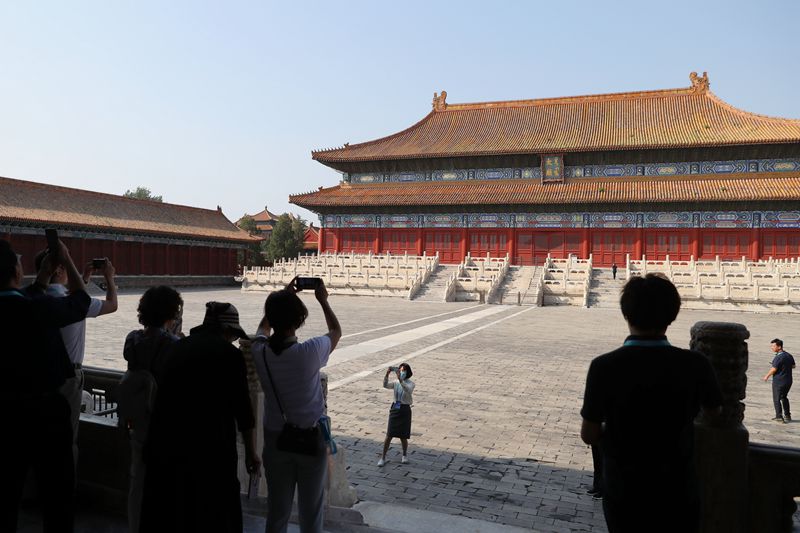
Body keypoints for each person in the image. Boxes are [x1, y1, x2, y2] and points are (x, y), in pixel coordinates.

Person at [580, 274, 723, 533]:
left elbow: (589, 434)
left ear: (626, 314)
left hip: (625, 488)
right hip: (677, 486)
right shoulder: (696, 364)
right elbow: (714, 413)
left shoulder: (604, 367)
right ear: (672, 315)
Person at [140, 301, 260, 533]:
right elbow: (243, 410)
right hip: (212, 448)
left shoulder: (176, 348)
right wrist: (251, 452)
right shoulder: (230, 355)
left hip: (171, 444)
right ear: (226, 330)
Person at [0, 239, 90, 532]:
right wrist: (68, 259)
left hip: (5, 411)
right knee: (57, 493)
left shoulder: (27, 303)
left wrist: (43, 277)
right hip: (43, 410)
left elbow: (24, 297)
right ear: (16, 272)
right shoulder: (38, 308)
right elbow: (81, 301)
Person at [252, 278, 342, 533]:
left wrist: (282, 297)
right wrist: (323, 301)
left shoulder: (260, 352)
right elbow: (336, 332)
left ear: (272, 319)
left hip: (276, 439)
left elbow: (262, 329)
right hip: (310, 440)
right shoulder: (309, 352)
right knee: (311, 513)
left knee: (277, 512)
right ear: (299, 320)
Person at [36, 251, 118, 477]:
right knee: (66, 438)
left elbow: (75, 296)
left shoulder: (34, 299)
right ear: (59, 269)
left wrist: (85, 278)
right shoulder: (73, 303)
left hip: (40, 375)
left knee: (41, 434)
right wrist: (109, 278)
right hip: (68, 379)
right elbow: (112, 305)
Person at [121, 285, 183, 533]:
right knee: (166, 486)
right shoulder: (174, 345)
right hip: (164, 424)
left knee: (137, 483)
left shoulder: (132, 339)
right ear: (172, 313)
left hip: (139, 421)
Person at [377, 363, 415, 467]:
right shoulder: (395, 382)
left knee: (403, 435)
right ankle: (383, 457)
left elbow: (408, 390)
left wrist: (401, 380)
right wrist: (387, 374)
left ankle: (404, 455)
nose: (401, 372)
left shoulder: (411, 384)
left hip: (405, 409)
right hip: (395, 408)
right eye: (400, 370)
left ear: (407, 372)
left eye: (403, 370)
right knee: (389, 434)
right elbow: (385, 385)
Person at [763, 338, 795, 423]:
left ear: (779, 347)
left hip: (779, 381)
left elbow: (774, 369)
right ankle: (787, 415)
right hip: (788, 381)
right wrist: (784, 367)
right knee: (784, 397)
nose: (772, 348)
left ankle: (779, 416)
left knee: (776, 398)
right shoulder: (789, 355)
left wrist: (766, 376)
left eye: (773, 346)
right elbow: (793, 366)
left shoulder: (778, 357)